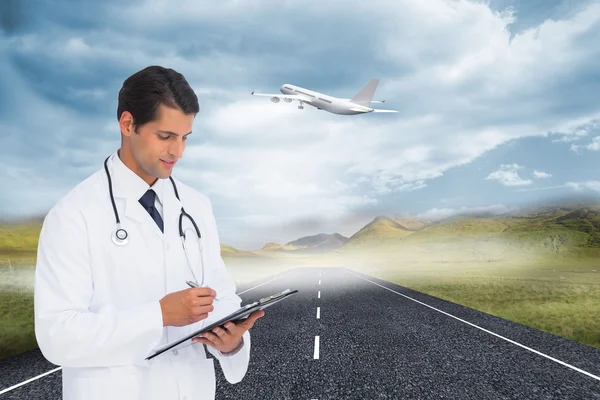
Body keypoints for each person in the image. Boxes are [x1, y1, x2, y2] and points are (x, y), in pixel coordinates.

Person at [33, 65, 264, 400]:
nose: (177, 152)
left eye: (185, 138)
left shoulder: (196, 206)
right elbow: (58, 336)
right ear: (128, 124)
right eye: (166, 136)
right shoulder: (73, 215)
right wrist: (158, 315)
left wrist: (231, 342)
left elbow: (222, 296)